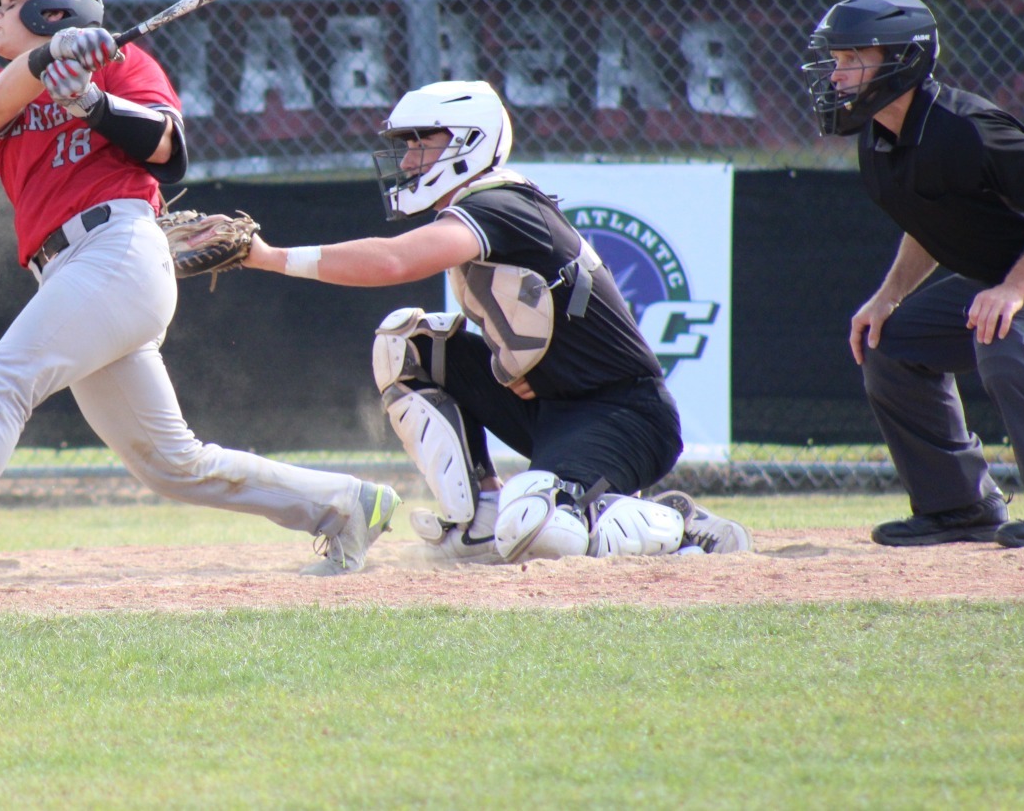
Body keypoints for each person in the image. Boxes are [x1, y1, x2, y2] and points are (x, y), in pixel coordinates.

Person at [0, 0, 400, 587]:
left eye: (10, 3)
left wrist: (92, 101)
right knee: (172, 464)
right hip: (70, 272)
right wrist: (49, 57)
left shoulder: (124, 65)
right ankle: (346, 505)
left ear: (53, 9)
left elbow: (168, 151)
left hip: (117, 251)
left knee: (3, 382)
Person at [240, 80, 749, 562]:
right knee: (408, 345)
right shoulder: (483, 205)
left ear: (470, 143)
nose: (409, 159)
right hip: (557, 409)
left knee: (539, 528)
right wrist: (511, 369)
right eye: (407, 145)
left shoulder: (501, 202)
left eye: (422, 143)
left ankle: (680, 525)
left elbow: (394, 261)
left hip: (626, 416)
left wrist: (269, 257)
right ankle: (479, 520)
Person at [801, 0, 1024, 548]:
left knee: (1002, 342)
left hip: (1021, 282)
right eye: (835, 60)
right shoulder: (879, 138)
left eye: (853, 58)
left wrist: (1014, 288)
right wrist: (888, 297)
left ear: (904, 58)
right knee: (890, 342)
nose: (837, 74)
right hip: (1004, 282)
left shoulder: (968, 127)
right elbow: (931, 219)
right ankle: (960, 506)